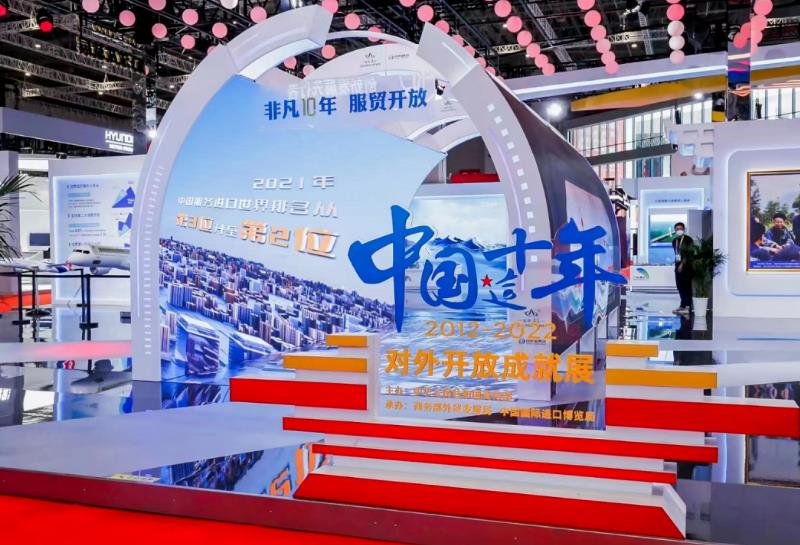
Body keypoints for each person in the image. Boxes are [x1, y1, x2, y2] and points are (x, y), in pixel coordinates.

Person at [672, 222, 694, 315]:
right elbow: (677, 253)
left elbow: (689, 253)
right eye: (677, 229)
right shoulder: (674, 241)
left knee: (686, 286)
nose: (679, 230)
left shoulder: (688, 240)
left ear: (684, 229)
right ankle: (682, 305)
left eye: (680, 228)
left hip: (686, 266)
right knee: (679, 286)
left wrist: (682, 264)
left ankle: (688, 306)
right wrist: (678, 264)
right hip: (678, 265)